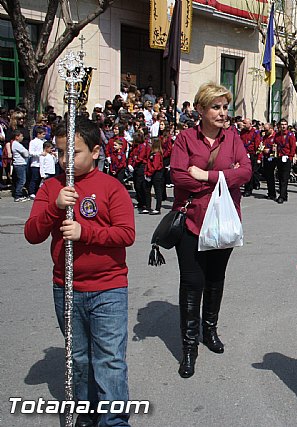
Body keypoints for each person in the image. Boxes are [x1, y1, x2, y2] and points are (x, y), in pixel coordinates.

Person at [24, 116, 135, 427]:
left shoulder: (111, 187)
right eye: (60, 153)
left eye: (73, 153)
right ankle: (86, 414)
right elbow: (32, 233)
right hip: (67, 288)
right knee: (80, 360)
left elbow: (126, 234)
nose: (65, 160)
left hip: (108, 287)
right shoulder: (51, 187)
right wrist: (55, 207)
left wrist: (86, 232)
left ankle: (113, 419)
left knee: (110, 358)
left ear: (96, 151)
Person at [170, 81, 252, 378]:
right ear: (201, 110)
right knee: (192, 285)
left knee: (216, 281)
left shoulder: (233, 138)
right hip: (192, 222)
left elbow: (245, 172)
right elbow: (180, 178)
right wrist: (224, 178)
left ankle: (209, 331)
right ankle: (189, 347)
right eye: (216, 107)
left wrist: (207, 175)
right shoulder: (185, 139)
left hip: (223, 224)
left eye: (225, 107)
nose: (222, 113)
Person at [145, 138, 164, 215]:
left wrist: (149, 173)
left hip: (156, 174)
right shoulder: (152, 153)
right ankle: (148, 206)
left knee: (157, 191)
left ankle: (157, 208)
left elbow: (155, 166)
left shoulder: (157, 154)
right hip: (150, 173)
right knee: (147, 190)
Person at [27, 126, 46, 198]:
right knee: (34, 178)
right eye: (43, 134)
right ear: (38, 134)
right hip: (35, 163)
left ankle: (37, 191)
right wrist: (40, 153)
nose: (44, 136)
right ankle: (31, 192)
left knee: (40, 179)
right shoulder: (33, 142)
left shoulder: (44, 141)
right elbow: (31, 152)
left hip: (43, 163)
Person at [11, 129, 29, 202]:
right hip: (19, 164)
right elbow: (26, 153)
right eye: (21, 136)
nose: (23, 137)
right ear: (17, 137)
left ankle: (20, 194)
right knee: (22, 180)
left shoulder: (17, 144)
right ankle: (18, 195)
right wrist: (26, 153)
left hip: (21, 164)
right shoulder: (16, 144)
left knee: (21, 179)